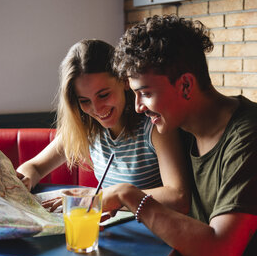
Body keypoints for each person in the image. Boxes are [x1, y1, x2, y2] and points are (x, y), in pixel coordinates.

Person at [101, 14, 257, 256]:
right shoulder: (180, 127)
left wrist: (131, 196)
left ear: (186, 85)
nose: (139, 107)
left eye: (146, 94)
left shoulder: (253, 136)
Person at [16, 39, 190, 214]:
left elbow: (178, 197)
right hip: (112, 233)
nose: (97, 109)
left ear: (124, 81)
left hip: (152, 235)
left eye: (104, 95)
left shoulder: (154, 125)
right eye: (84, 101)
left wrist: (103, 197)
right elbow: (35, 168)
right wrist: (23, 180)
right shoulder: (86, 126)